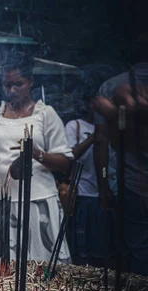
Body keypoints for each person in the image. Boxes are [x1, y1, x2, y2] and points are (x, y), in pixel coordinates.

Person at [0, 53, 73, 262]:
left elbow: (66, 162)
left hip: (39, 200)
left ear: (31, 82)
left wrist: (37, 154)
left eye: (18, 84)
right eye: (7, 85)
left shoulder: (45, 114)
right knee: (2, 264)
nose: (12, 90)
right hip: (2, 200)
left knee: (41, 263)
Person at [92, 35, 148, 274]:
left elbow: (102, 142)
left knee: (138, 251)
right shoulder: (113, 87)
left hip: (133, 185)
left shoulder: (112, 86)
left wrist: (104, 184)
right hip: (133, 185)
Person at [64, 104, 110, 265]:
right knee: (81, 250)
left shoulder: (112, 128)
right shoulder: (75, 126)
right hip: (82, 195)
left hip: (105, 195)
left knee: (102, 250)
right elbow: (69, 155)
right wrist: (93, 138)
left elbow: (105, 165)